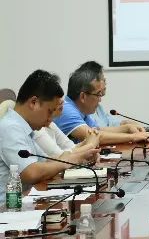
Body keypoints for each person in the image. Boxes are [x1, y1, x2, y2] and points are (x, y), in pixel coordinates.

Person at [0, 70, 98, 198]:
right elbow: (31, 173)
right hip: (8, 207)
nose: (50, 119)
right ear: (33, 102)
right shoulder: (10, 127)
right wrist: (69, 161)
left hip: (26, 200)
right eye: (49, 111)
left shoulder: (24, 128)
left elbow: (48, 162)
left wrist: (81, 156)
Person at [54, 61, 149, 145]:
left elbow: (98, 131)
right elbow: (94, 137)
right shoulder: (66, 110)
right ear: (83, 97)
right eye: (98, 94)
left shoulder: (80, 110)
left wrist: (127, 128)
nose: (100, 100)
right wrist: (133, 137)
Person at [33, 97, 100, 159]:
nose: (62, 101)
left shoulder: (51, 124)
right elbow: (60, 157)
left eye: (61, 97)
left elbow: (71, 147)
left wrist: (89, 138)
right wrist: (91, 145)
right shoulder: (36, 128)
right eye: (57, 97)